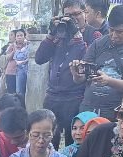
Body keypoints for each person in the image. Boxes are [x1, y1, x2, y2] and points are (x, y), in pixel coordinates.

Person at [71, 4, 123, 121]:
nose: (114, 35)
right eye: (111, 30)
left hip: (117, 113)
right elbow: (82, 78)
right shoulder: (99, 43)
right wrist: (76, 74)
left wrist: (109, 81)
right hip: (88, 109)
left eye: (120, 31)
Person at [36, 0, 89, 149]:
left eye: (76, 14)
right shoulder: (60, 33)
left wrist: (77, 35)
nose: (72, 19)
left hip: (75, 97)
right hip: (52, 96)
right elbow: (40, 58)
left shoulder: (92, 34)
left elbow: (87, 62)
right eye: (68, 15)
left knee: (73, 142)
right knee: (48, 139)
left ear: (85, 13)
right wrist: (51, 34)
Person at [11, 29, 29, 96]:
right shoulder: (13, 46)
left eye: (21, 35)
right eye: (17, 36)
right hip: (19, 70)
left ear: (24, 36)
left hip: (28, 69)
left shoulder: (29, 45)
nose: (19, 37)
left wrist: (24, 61)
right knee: (19, 91)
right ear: (15, 37)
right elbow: (13, 58)